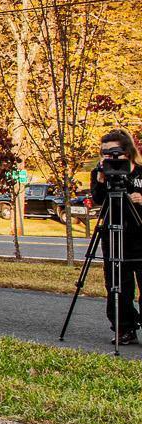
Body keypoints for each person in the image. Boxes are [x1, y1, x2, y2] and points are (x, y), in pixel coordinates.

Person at [88, 128, 142, 345]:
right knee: (117, 285)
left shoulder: (140, 172)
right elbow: (98, 199)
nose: (110, 157)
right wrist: (101, 179)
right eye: (105, 152)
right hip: (113, 236)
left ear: (127, 151)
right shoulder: (100, 172)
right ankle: (124, 328)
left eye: (114, 152)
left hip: (140, 234)